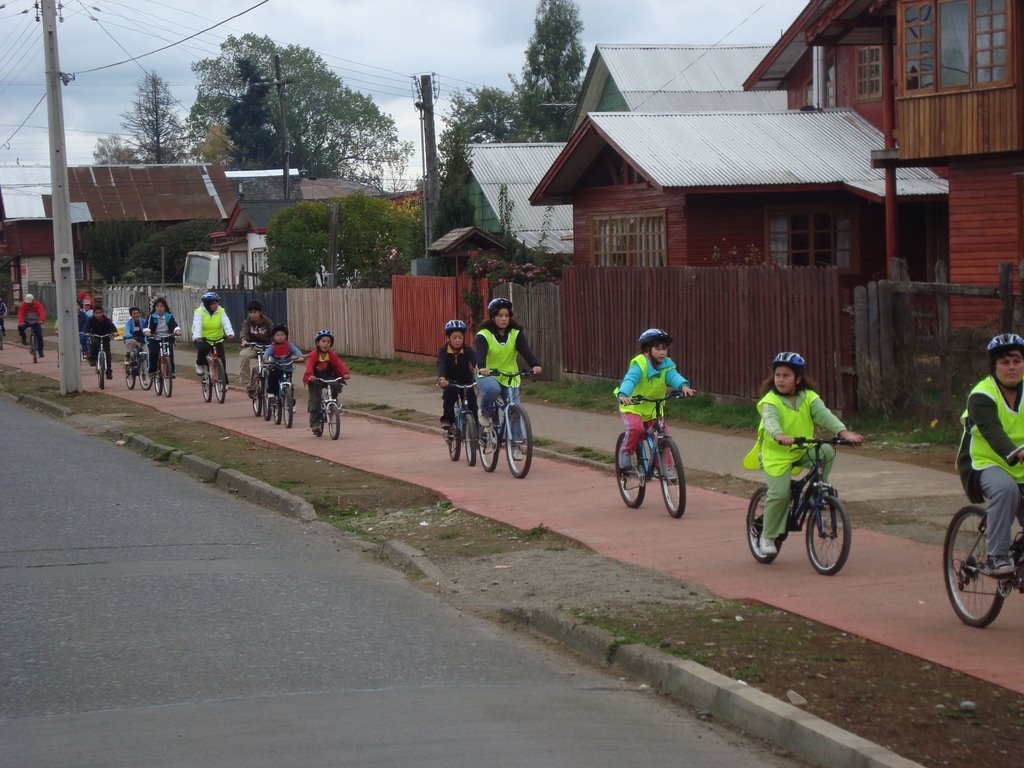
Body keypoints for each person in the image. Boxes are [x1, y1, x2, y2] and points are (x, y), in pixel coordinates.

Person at [742, 352, 864, 556]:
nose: (780, 380)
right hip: (776, 455)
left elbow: (825, 416)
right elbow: (771, 421)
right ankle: (767, 535)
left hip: (801, 449)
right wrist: (779, 435)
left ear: (798, 379)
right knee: (780, 494)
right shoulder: (770, 400)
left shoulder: (808, 398)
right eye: (778, 375)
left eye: (786, 376)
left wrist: (843, 433)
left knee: (826, 451)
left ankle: (820, 489)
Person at [956, 333, 1024, 575]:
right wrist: (1018, 452)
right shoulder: (982, 394)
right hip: (984, 462)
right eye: (1005, 362)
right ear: (994, 367)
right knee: (1007, 490)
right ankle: (996, 556)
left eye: (1017, 360)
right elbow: (992, 431)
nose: (1012, 367)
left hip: (1021, 466)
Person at [615, 329, 696, 474]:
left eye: (664, 349)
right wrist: (623, 394)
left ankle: (666, 467)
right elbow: (630, 379)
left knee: (662, 435)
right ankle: (626, 451)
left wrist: (684, 386)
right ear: (648, 349)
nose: (662, 353)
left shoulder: (667, 365)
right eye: (658, 349)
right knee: (637, 429)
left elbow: (674, 377)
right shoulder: (640, 363)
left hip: (653, 408)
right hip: (633, 406)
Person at [474, 297, 541, 427]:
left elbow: (525, 350)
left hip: (510, 376)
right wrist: (482, 367)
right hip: (488, 374)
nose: (504, 319)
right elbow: (480, 353)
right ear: (493, 317)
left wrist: (534, 364)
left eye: (506, 315)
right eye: (500, 315)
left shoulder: (515, 333)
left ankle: (515, 443)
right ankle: (484, 411)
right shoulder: (484, 334)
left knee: (514, 409)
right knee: (493, 389)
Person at [302, 329, 351, 435]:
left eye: (328, 342)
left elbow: (339, 364)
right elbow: (309, 366)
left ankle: (332, 403)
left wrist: (345, 373)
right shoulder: (314, 355)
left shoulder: (331, 355)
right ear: (317, 343)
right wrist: (311, 375)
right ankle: (315, 424)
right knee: (315, 400)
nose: (326, 344)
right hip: (314, 378)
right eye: (323, 341)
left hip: (328, 376)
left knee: (335, 384)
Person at [437, 319, 478, 429]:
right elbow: (441, 364)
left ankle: (476, 428)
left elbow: (476, 362)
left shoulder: (467, 349)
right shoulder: (443, 350)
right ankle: (447, 420)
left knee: (472, 403)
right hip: (450, 381)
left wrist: (481, 372)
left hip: (466, 381)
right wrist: (442, 379)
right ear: (448, 338)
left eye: (460, 337)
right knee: (449, 395)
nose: (457, 340)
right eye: (454, 337)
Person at [191, 291, 234, 375]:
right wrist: (197, 336)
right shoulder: (199, 312)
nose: (216, 304)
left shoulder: (221, 311)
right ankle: (200, 364)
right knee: (203, 349)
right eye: (213, 303)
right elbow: (197, 325)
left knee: (222, 360)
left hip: (217, 339)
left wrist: (230, 333)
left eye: (217, 302)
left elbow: (226, 323)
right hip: (203, 339)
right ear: (207, 304)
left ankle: (224, 383)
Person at [238, 299, 274, 389]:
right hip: (253, 346)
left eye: (254, 312)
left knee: (274, 362)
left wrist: (276, 342)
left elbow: (274, 333)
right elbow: (244, 332)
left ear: (260, 312)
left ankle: (274, 383)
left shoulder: (267, 322)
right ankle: (247, 383)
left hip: (267, 347)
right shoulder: (247, 322)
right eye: (250, 312)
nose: (252, 315)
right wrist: (244, 340)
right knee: (243, 355)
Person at [262, 324, 303, 401]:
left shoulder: (289, 345)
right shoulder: (272, 347)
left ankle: (291, 402)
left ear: (286, 336)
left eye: (282, 335)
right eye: (277, 335)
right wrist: (266, 359)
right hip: (276, 366)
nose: (280, 337)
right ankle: (271, 393)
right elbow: (266, 354)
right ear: (274, 337)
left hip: (287, 367)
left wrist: (300, 357)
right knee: (272, 377)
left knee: (290, 385)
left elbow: (297, 352)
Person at [143, 297, 182, 376]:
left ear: (165, 308)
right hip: (154, 337)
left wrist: (177, 330)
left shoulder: (169, 316)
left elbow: (174, 324)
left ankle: (170, 371)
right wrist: (147, 331)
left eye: (161, 306)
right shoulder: (152, 316)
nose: (159, 308)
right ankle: (152, 371)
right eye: (157, 306)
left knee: (169, 353)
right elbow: (148, 325)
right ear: (155, 308)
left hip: (167, 337)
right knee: (153, 353)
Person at [83, 305, 118, 379]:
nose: (98, 315)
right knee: (94, 344)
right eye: (96, 313)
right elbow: (87, 327)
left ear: (102, 313)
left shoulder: (107, 320)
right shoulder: (91, 320)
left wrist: (114, 332)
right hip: (95, 337)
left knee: (108, 355)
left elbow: (112, 327)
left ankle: (108, 371)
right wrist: (87, 332)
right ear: (93, 314)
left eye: (100, 313)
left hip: (105, 338)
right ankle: (92, 359)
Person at [121, 306, 147, 371]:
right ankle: (128, 356)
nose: (136, 315)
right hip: (132, 339)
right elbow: (127, 331)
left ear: (140, 314)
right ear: (131, 315)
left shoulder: (144, 321)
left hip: (142, 340)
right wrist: (128, 335)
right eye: (134, 314)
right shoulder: (129, 323)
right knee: (131, 342)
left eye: (137, 313)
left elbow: (148, 329)